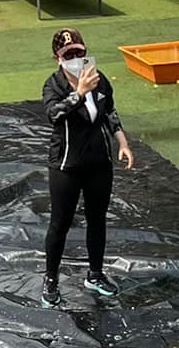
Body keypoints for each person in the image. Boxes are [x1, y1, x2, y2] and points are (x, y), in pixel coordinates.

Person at [40, 28, 136, 309]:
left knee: (97, 218)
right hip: (66, 165)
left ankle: (95, 274)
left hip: (98, 162)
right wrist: (79, 93)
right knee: (60, 223)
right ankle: (51, 280)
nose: (74, 58)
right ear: (58, 58)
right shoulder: (54, 85)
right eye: (68, 54)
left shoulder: (99, 79)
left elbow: (110, 112)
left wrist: (122, 142)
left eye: (78, 52)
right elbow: (54, 115)